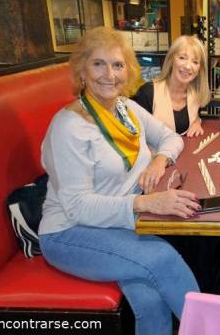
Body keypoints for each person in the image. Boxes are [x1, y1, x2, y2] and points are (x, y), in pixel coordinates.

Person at [39, 27, 201, 335]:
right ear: (82, 71)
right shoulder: (69, 126)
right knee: (163, 258)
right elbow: (77, 207)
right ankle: (212, 329)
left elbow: (170, 138)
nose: (109, 74)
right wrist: (146, 201)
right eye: (98, 64)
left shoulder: (127, 109)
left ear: (127, 70)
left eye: (117, 64)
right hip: (69, 232)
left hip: (117, 224)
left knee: (150, 297)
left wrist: (158, 159)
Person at [133, 35, 210, 137]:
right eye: (182, 58)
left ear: (200, 69)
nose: (188, 66)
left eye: (195, 62)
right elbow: (135, 136)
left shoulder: (196, 93)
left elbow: (193, 115)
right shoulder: (147, 93)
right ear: (171, 59)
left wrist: (196, 121)